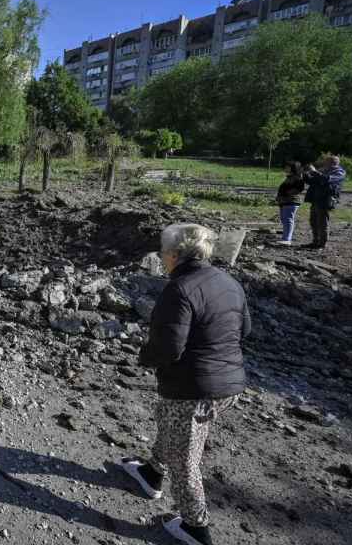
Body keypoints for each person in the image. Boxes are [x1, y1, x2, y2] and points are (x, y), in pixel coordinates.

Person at [121, 223, 250, 545]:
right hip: (229, 384)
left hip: (194, 387)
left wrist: (144, 356)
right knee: (174, 426)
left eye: (163, 253)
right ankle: (151, 472)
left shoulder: (180, 289)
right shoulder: (229, 282)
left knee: (184, 457)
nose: (162, 259)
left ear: (175, 255)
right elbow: (244, 330)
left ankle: (195, 527)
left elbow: (168, 348)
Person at [303, 154, 346, 250]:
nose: (324, 163)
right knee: (313, 221)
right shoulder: (323, 170)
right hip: (316, 199)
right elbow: (311, 181)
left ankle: (322, 244)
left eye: (326, 161)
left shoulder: (339, 172)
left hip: (325, 199)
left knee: (322, 222)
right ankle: (315, 241)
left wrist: (314, 171)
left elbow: (326, 179)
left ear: (333, 162)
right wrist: (305, 173)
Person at [274, 161, 305, 246]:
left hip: (291, 201)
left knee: (288, 220)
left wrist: (286, 194)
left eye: (288, 167)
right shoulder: (290, 177)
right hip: (285, 201)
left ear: (293, 167)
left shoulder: (297, 177)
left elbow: (299, 188)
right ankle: (285, 237)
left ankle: (287, 239)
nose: (285, 168)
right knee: (284, 219)